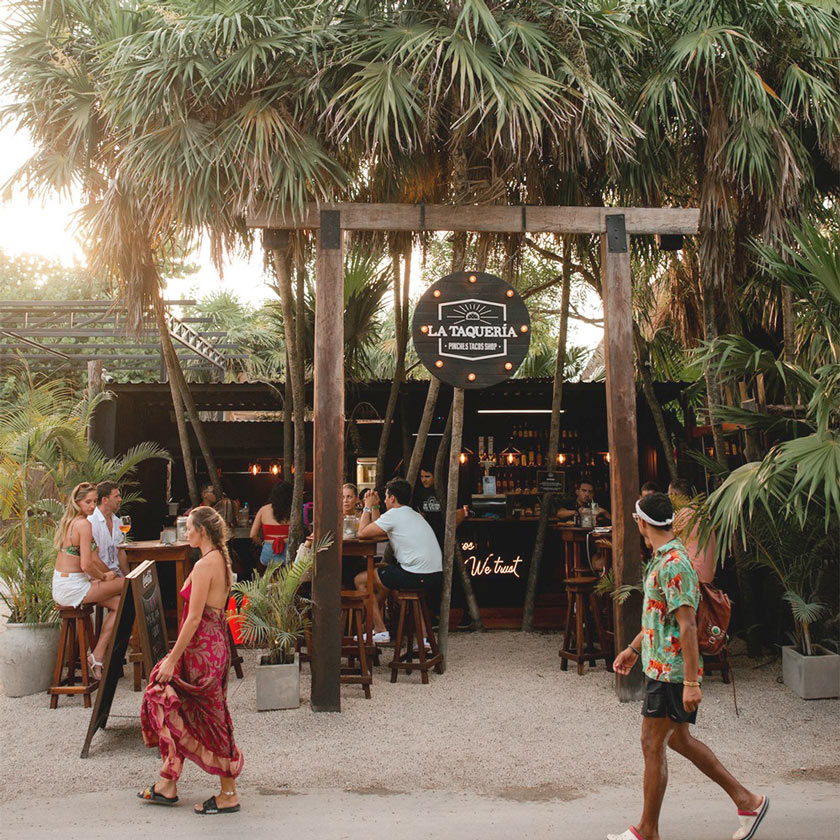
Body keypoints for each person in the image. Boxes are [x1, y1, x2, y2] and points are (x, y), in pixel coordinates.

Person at [608, 492, 768, 840]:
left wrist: (693, 682)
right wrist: (633, 650)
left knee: (652, 744)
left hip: (671, 672)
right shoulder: (662, 558)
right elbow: (658, 618)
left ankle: (647, 831)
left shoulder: (674, 563)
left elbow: (688, 625)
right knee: (679, 741)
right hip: (660, 666)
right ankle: (748, 801)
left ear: (642, 522)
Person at [139, 505, 244, 815]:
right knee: (179, 705)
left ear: (202, 532)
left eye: (189, 527)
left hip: (202, 651)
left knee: (205, 714)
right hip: (214, 645)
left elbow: (194, 618)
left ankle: (228, 793)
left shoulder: (204, 566)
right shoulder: (220, 560)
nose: (186, 532)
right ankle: (168, 783)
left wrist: (172, 658)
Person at [355, 477, 443, 644]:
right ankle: (423, 638)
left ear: (392, 498)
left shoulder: (394, 515)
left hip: (415, 574)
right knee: (384, 571)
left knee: (360, 580)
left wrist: (367, 505)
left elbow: (362, 533)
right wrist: (374, 506)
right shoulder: (413, 514)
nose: (385, 500)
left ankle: (379, 630)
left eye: (386, 496)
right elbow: (376, 529)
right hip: (433, 575)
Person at [52, 482, 124, 679]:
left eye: (94, 501)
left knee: (120, 605)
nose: (92, 506)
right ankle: (103, 654)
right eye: (87, 502)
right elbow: (86, 565)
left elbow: (93, 558)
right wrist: (104, 577)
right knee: (128, 584)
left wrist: (107, 574)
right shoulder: (84, 524)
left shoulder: (71, 521)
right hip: (74, 587)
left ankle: (97, 656)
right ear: (77, 502)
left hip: (64, 584)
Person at [669, 478, 716, 584]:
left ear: (674, 496)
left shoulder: (685, 514)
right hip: (709, 575)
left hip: (694, 575)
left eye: (669, 495)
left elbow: (663, 537)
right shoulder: (702, 513)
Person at [88, 480, 127, 577]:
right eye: (116, 496)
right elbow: (93, 559)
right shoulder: (91, 522)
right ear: (105, 500)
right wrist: (114, 577)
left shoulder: (117, 521)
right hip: (99, 576)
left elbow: (120, 554)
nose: (120, 499)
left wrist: (128, 577)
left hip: (116, 575)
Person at [250, 481, 293, 567]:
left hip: (268, 555)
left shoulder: (263, 510)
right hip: (288, 554)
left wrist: (263, 544)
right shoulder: (293, 510)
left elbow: (252, 535)